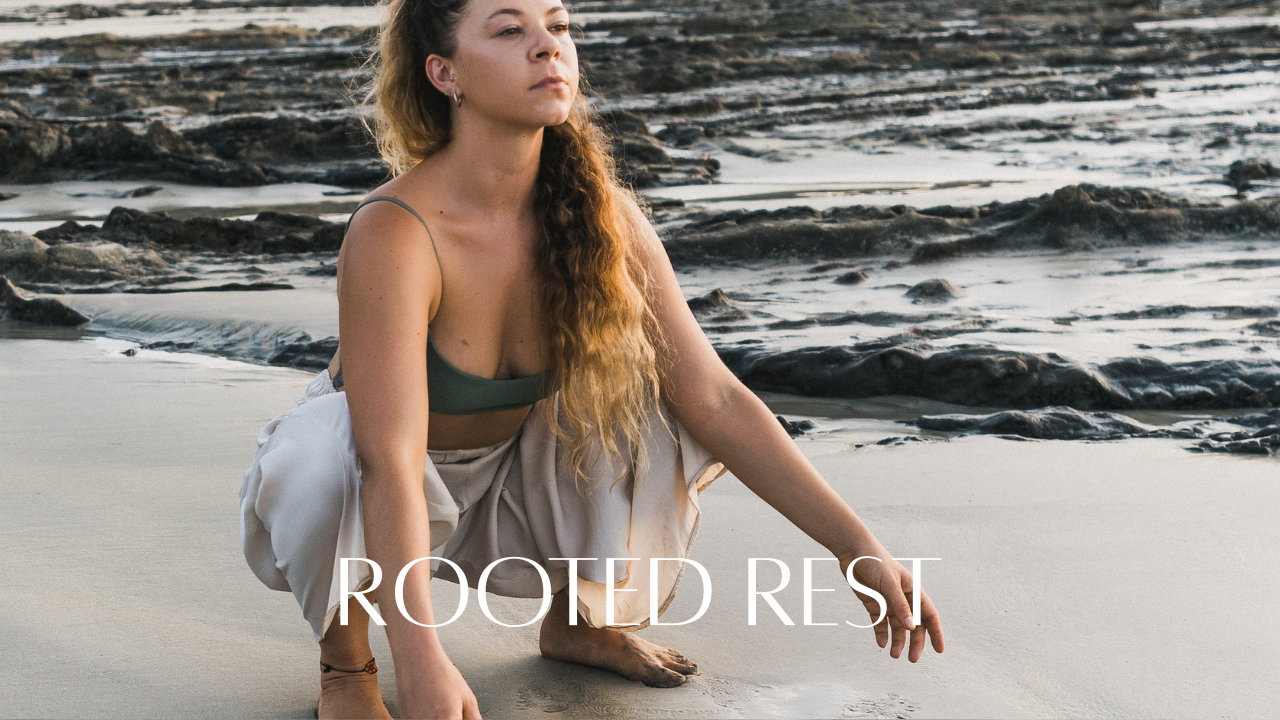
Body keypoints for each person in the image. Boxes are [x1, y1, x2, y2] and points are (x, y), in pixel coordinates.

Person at [237, 0, 944, 717]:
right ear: (445, 73)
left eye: (559, 26)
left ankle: (579, 619)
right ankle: (346, 664)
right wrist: (420, 660)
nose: (547, 47)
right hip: (379, 493)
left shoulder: (601, 216)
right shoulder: (395, 230)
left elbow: (716, 398)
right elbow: (388, 460)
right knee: (324, 457)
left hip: (509, 481)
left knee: (645, 393)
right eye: (511, 30)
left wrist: (858, 547)